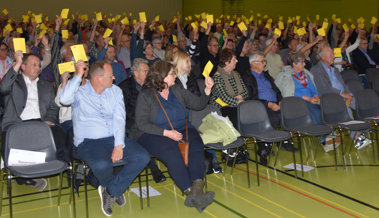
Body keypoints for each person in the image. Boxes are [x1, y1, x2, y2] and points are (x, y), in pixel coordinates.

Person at [59, 60, 150, 216]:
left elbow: (120, 118)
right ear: (99, 78)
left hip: (114, 137)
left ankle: (112, 191)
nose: (114, 78)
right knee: (102, 165)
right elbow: (64, 99)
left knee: (142, 157)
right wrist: (78, 75)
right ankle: (112, 187)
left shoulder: (115, 91)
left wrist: (118, 144)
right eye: (110, 75)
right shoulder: (79, 92)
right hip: (88, 142)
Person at [130, 60, 215, 213]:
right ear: (161, 76)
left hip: (181, 127)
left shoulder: (177, 89)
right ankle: (191, 192)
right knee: (171, 150)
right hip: (151, 133)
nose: (175, 75)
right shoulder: (146, 95)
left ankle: (196, 193)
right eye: (172, 73)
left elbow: (198, 104)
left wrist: (208, 89)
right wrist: (167, 133)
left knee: (196, 144)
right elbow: (141, 124)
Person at [0, 51, 63, 191]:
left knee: (62, 138)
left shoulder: (46, 85)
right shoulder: (14, 82)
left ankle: (68, 171)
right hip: (17, 123)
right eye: (33, 64)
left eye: (39, 65)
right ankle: (26, 176)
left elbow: (53, 107)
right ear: (23, 67)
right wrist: (16, 63)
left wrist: (48, 121)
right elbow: (3, 88)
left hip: (41, 122)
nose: (38, 68)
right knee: (17, 142)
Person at [275, 53, 338, 152]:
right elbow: (288, 94)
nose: (304, 64)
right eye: (302, 62)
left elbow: (313, 90)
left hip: (310, 99)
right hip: (297, 102)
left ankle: (331, 133)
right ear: (294, 64)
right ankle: (323, 140)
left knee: (325, 108)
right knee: (314, 112)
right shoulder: (286, 76)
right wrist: (308, 99)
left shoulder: (306, 74)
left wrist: (316, 98)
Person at [118, 58, 167, 184]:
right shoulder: (123, 87)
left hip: (151, 119)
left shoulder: (152, 85)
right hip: (132, 121)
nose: (148, 74)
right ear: (136, 73)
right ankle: (154, 168)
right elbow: (122, 110)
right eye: (145, 71)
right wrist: (141, 117)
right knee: (145, 131)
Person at [311, 47, 370, 149]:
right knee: (345, 109)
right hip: (330, 99)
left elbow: (344, 84)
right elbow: (324, 88)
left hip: (343, 96)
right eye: (331, 55)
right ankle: (357, 137)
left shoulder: (334, 69)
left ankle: (364, 129)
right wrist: (342, 94)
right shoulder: (316, 69)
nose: (334, 56)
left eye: (333, 54)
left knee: (362, 104)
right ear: (322, 57)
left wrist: (349, 95)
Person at [210, 48, 249, 128]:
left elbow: (246, 92)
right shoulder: (217, 77)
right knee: (239, 115)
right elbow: (224, 98)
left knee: (250, 110)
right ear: (227, 62)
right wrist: (239, 101)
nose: (237, 61)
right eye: (234, 59)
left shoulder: (236, 74)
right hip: (221, 107)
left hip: (236, 104)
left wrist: (237, 100)